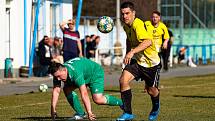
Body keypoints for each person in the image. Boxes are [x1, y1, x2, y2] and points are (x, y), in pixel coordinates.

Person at [116, 2, 161, 121]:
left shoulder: (138, 24)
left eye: (127, 13)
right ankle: (128, 113)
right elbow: (129, 40)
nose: (125, 16)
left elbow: (148, 42)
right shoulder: (126, 26)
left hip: (151, 64)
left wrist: (132, 52)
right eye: (123, 14)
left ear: (133, 13)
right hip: (138, 61)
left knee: (152, 91)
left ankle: (156, 106)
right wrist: (128, 55)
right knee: (123, 80)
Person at [49, 57, 123, 121]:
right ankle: (81, 114)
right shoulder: (57, 74)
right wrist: (53, 109)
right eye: (56, 77)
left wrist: (89, 112)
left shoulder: (75, 72)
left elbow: (84, 93)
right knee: (66, 89)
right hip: (84, 74)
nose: (58, 79)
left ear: (64, 70)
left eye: (59, 76)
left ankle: (122, 103)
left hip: (95, 73)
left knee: (98, 99)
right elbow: (56, 91)